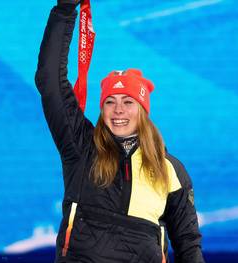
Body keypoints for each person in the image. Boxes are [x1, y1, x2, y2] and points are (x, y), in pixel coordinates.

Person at [35, 1, 205, 262]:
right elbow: (50, 81)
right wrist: (65, 11)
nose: (118, 111)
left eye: (128, 102)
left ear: (143, 110)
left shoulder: (171, 171)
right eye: (110, 102)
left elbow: (188, 245)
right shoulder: (81, 147)